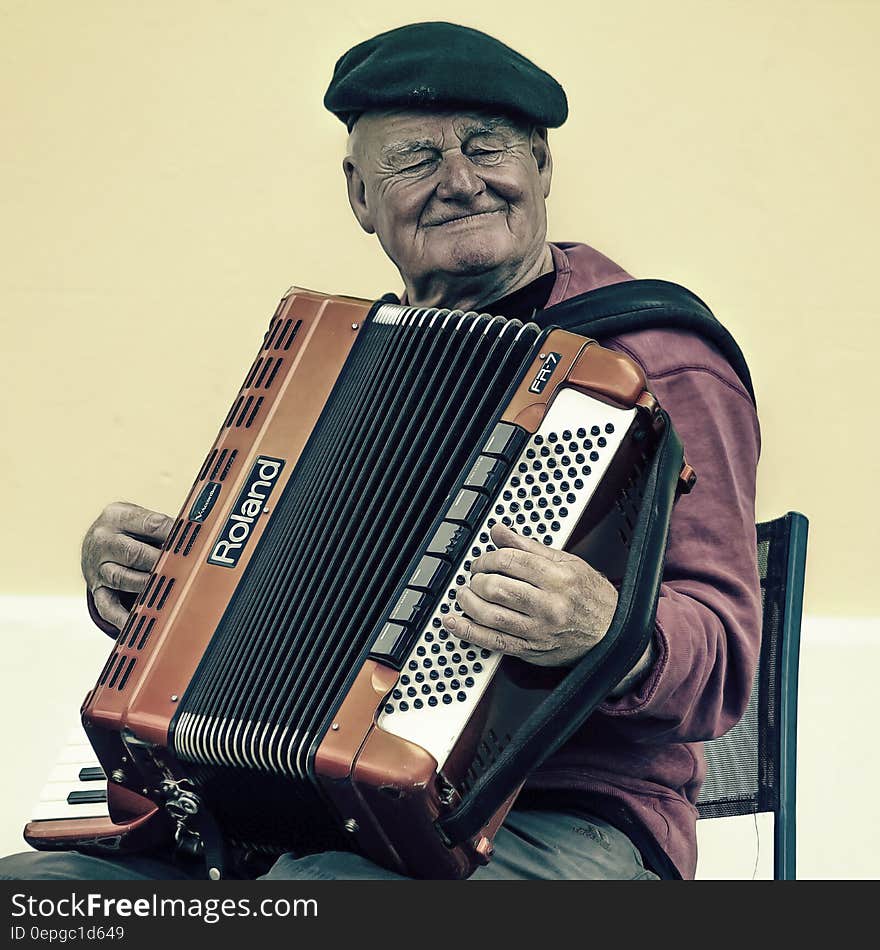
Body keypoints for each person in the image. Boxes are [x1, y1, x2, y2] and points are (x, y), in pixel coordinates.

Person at [0, 22, 761, 881]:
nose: (462, 182)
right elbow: (263, 599)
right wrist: (146, 586)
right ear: (360, 196)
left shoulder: (656, 361)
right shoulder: (337, 368)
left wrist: (607, 631)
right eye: (414, 159)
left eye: (488, 148)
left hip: (567, 818)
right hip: (296, 808)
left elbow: (726, 659)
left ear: (541, 168)